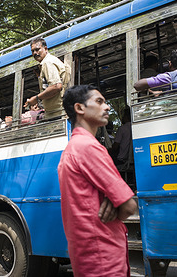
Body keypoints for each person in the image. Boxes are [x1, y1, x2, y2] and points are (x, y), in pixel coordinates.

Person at [58, 84, 137, 277]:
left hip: (88, 255)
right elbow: (128, 206)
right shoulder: (88, 147)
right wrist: (117, 200)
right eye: (99, 101)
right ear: (80, 108)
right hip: (104, 255)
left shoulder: (72, 148)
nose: (107, 107)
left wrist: (112, 197)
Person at [24, 37, 67, 120]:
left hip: (58, 113)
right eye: (33, 51)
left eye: (37, 49)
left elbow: (56, 86)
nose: (35, 53)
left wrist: (36, 99)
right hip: (56, 112)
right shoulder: (49, 61)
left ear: (45, 48)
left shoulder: (47, 62)